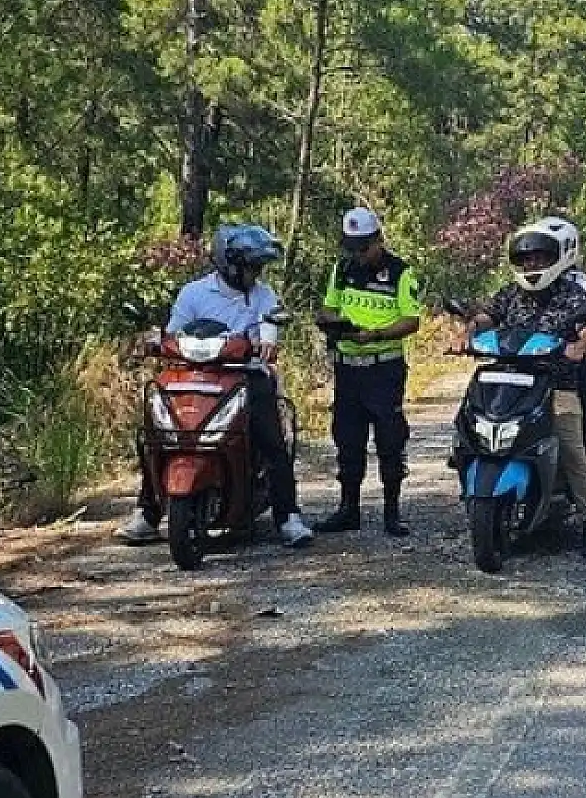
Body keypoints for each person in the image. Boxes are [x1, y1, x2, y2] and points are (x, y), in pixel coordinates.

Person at [118, 224, 314, 547]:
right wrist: (156, 341)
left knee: (272, 440)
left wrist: (266, 344)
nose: (256, 273)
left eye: (259, 267)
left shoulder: (265, 296)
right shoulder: (194, 294)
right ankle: (148, 512)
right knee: (159, 434)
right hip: (194, 377)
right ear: (231, 264)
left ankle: (287, 516)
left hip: (246, 375)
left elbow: (270, 328)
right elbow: (173, 333)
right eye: (252, 266)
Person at [464, 219, 586, 557]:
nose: (532, 265)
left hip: (557, 383)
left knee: (571, 444)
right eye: (526, 259)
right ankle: (470, 468)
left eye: (540, 258)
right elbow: (486, 315)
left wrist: (579, 348)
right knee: (469, 417)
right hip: (507, 381)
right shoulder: (511, 293)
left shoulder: (572, 293)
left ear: (555, 259)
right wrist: (468, 332)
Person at [313, 207, 423, 537]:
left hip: (383, 369)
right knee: (347, 438)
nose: (358, 254)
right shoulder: (342, 269)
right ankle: (348, 509)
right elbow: (329, 307)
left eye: (363, 247)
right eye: (352, 247)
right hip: (348, 369)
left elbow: (411, 320)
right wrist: (330, 322)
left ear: (379, 240)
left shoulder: (401, 272)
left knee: (390, 439)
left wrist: (375, 334)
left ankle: (392, 511)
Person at [537, 216, 586, 480]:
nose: (538, 258)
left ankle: (585, 454)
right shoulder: (521, 283)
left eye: (546, 251)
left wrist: (578, 347)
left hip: (561, 355)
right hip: (523, 354)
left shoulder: (579, 283)